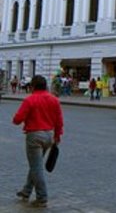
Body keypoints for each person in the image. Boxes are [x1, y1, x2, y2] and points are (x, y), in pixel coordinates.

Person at [12, 75, 64, 208]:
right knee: (36, 165)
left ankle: (42, 197)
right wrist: (57, 136)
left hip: (34, 136)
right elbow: (59, 121)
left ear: (33, 86)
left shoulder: (30, 100)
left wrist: (18, 118)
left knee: (36, 167)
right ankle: (26, 191)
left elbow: (18, 119)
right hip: (49, 135)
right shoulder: (54, 100)